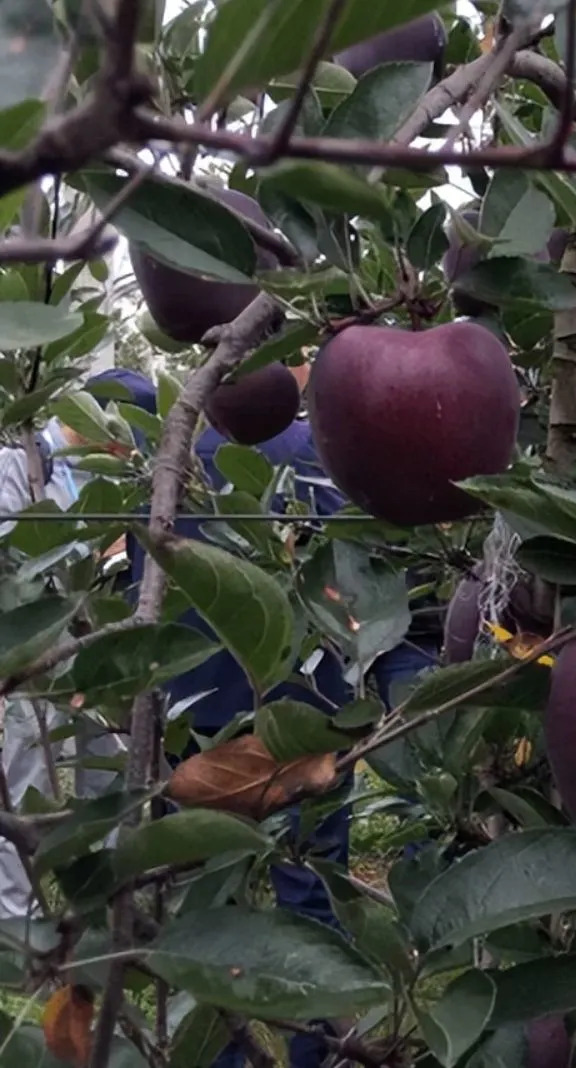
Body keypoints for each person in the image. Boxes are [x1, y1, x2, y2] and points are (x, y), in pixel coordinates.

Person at [122, 368, 438, 1068]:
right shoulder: (329, 462)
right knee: (313, 889)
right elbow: (367, 583)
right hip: (310, 717)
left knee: (207, 903)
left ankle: (223, 1053)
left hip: (195, 715)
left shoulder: (169, 469)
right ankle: (317, 1048)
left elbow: (132, 599)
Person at [0, 369, 157, 923]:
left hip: (99, 641)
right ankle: (16, 913)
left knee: (110, 762)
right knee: (30, 773)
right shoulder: (17, 465)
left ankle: (112, 895)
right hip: (38, 648)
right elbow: (16, 561)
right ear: (97, 423)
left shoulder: (110, 479)